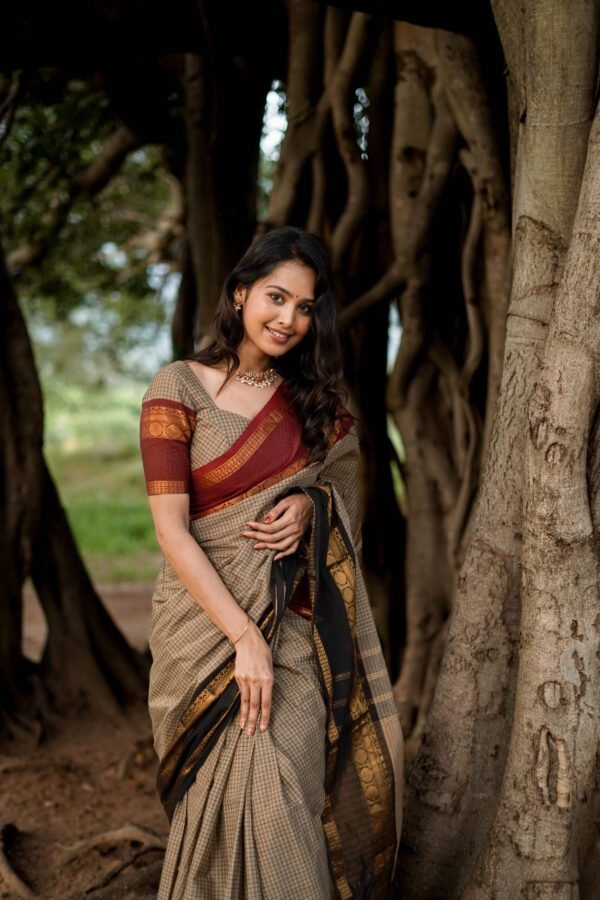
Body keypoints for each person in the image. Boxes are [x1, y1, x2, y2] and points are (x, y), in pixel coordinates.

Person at [139, 225, 404, 899]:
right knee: (215, 809)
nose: (289, 318)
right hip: (203, 634)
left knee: (285, 799)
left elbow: (347, 487)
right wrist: (242, 638)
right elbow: (172, 531)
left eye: (306, 306)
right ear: (240, 293)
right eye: (276, 297)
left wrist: (315, 506)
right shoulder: (179, 388)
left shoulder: (311, 405)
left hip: (291, 633)